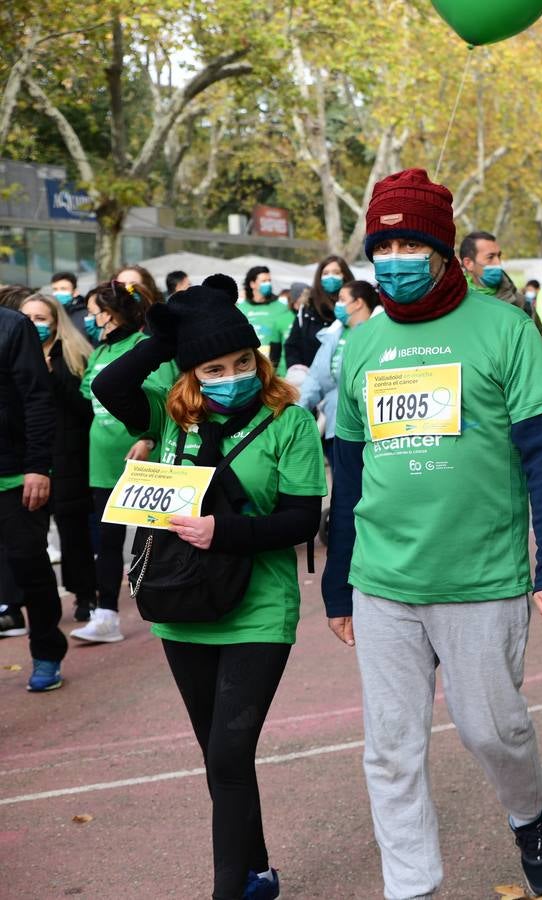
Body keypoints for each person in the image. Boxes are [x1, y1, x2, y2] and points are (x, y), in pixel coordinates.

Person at [322, 169, 542, 900]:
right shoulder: (361, 346)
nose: (395, 257)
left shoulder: (504, 329)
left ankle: (530, 817)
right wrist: (340, 580)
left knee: (492, 732)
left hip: (481, 579)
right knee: (391, 750)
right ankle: (412, 886)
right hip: (383, 582)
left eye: (410, 242)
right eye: (383, 244)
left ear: (443, 250)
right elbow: (351, 471)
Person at [92, 280, 326, 900]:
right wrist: (162, 341)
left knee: (227, 754)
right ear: (190, 372)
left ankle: (230, 892)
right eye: (214, 367)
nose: (233, 376)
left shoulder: (291, 421)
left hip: (260, 608)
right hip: (180, 605)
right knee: (220, 756)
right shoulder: (168, 417)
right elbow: (108, 386)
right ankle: (256, 874)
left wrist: (223, 531)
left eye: (243, 362)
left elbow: (304, 519)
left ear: (259, 358)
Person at [71, 281, 178, 643]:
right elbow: (87, 394)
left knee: (150, 536)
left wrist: (147, 438)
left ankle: (165, 597)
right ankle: (107, 614)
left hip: (137, 460)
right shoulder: (100, 351)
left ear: (110, 313)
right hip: (100, 461)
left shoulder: (141, 347)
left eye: (93, 312)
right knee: (108, 539)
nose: (89, 318)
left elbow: (163, 397)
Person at [17, 293, 97, 622]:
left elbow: (86, 409)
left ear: (55, 321)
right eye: (28, 318)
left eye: (41, 318)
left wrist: (54, 379)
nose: (35, 325)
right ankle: (31, 601)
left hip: (69, 455)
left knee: (73, 530)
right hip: (29, 455)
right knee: (30, 534)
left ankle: (84, 594)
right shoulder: (15, 353)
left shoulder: (74, 355)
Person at [0, 303, 67, 691]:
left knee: (29, 565)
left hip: (15, 476)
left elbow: (38, 399)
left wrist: (38, 466)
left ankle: (46, 651)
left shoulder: (13, 327)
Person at [298, 280, 381, 457]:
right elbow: (315, 377)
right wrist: (297, 410)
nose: (338, 305)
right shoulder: (333, 334)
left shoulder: (377, 334)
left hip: (368, 428)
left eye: (342, 300)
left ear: (358, 303)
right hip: (335, 424)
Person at [459, 230, 542, 334]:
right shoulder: (453, 304)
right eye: (490, 257)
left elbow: (541, 343)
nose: (498, 263)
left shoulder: (521, 304)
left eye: (499, 256)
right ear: (468, 263)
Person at [284, 256, 350, 381]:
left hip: (346, 380)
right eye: (326, 273)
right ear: (319, 277)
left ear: (345, 275)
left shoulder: (356, 306)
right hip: (311, 382)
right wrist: (298, 372)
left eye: (336, 272)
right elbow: (292, 346)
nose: (331, 277)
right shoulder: (308, 308)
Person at [238, 266, 294, 372]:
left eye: (269, 281)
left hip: (274, 367)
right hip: (248, 365)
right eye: (263, 281)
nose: (268, 284)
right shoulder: (241, 308)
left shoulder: (282, 307)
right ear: (252, 284)